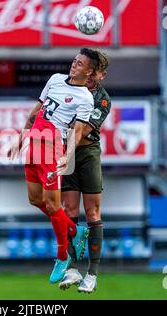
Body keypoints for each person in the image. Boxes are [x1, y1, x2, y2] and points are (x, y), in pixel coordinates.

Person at [8, 48, 99, 284]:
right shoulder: (55, 79)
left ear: (89, 71)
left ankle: (62, 256)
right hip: (33, 143)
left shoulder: (85, 97)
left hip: (51, 147)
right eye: (74, 61)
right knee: (35, 200)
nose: (74, 65)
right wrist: (19, 139)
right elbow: (36, 111)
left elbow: (77, 132)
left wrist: (67, 156)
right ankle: (73, 229)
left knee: (52, 204)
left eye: (80, 64)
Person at [58, 49, 111, 293]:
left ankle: (93, 273)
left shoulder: (102, 99)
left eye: (94, 73)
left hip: (87, 154)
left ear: (101, 75)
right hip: (65, 152)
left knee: (92, 212)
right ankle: (72, 269)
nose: (89, 77)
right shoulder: (68, 87)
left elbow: (81, 132)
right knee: (68, 210)